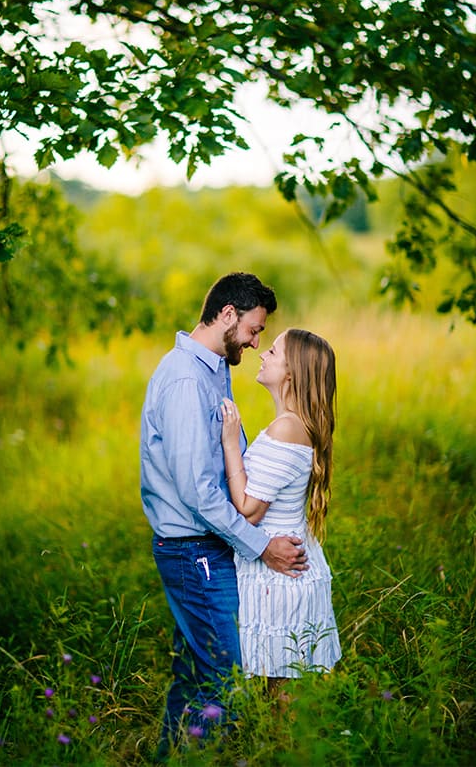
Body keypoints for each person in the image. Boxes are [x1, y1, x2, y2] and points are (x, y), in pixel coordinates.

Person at [140, 272, 310, 752]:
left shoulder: (214, 367)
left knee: (194, 674)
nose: (257, 343)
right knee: (225, 677)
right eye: (255, 330)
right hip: (192, 549)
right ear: (228, 315)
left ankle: (169, 758)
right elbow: (196, 490)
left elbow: (222, 462)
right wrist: (262, 547)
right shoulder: (185, 379)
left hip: (208, 545)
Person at [219, 327, 342, 691]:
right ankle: (282, 746)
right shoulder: (293, 425)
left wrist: (230, 442)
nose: (262, 354)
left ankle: (286, 748)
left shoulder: (286, 428)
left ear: (291, 374)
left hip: (281, 575)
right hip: (288, 566)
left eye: (273, 352)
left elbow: (248, 509)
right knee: (280, 687)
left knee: (283, 691)